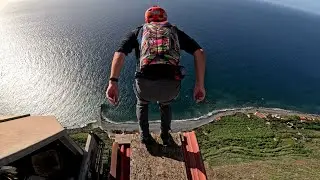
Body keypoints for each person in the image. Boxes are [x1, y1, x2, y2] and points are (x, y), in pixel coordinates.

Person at [106, 5, 206, 146]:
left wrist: (113, 81)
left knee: (142, 104)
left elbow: (119, 53)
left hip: (144, 84)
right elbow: (199, 52)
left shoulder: (139, 32)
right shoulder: (174, 31)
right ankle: (165, 135)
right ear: (165, 19)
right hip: (170, 86)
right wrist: (199, 85)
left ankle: (145, 137)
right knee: (165, 105)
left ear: (146, 20)